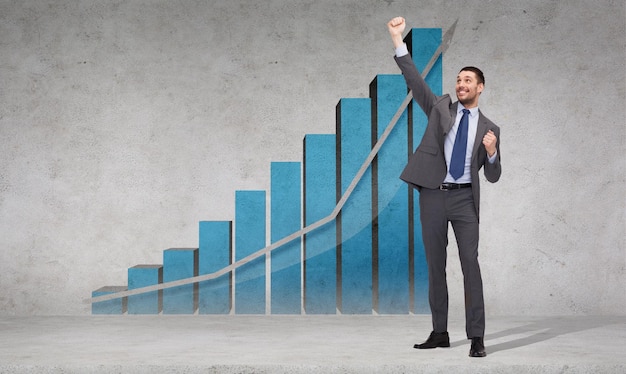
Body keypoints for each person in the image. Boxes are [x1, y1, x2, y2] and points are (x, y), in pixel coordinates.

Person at [387, 16, 502, 358]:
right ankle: (439, 332)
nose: (461, 84)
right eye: (459, 79)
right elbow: (415, 81)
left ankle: (477, 337)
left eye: (468, 80)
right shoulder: (440, 108)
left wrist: (493, 153)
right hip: (433, 196)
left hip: (466, 200)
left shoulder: (491, 127)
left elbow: (493, 176)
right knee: (435, 265)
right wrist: (397, 40)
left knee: (470, 265)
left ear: (481, 86)